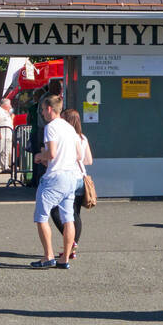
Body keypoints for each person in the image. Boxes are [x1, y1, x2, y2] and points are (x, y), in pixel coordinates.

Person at [30, 94, 79, 268]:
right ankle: (65, 258)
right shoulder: (69, 128)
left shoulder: (51, 127)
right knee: (68, 218)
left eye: (43, 109)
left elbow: (51, 153)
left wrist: (39, 156)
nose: (42, 113)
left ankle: (48, 255)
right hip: (70, 176)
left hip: (55, 177)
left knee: (41, 217)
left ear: (50, 109)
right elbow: (78, 154)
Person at [49, 109, 92, 260]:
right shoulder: (83, 138)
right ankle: (72, 248)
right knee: (75, 214)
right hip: (81, 178)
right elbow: (88, 160)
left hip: (68, 177)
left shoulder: (66, 136)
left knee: (56, 210)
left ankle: (71, 242)